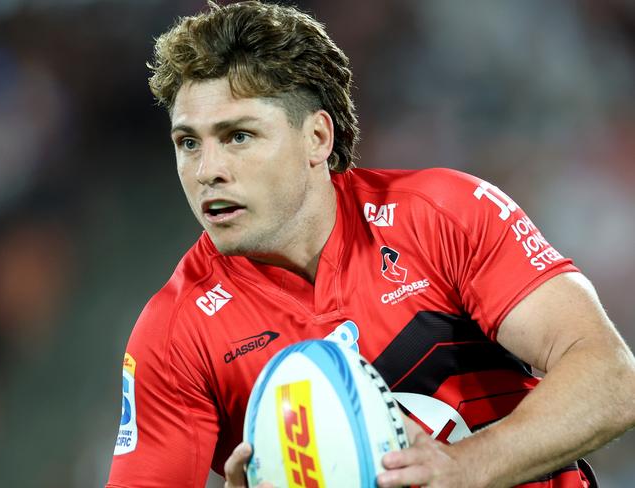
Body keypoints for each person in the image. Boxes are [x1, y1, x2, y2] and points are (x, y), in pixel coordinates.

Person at [106, 2, 635, 487]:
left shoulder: (440, 215)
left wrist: (465, 467)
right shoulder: (176, 333)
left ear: (317, 138)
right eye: (188, 142)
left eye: (238, 136)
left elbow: (611, 378)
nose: (207, 172)